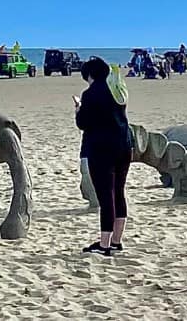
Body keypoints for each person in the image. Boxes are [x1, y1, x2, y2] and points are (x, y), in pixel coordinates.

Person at [75, 57, 132, 255]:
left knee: (106, 196)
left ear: (90, 75)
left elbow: (83, 123)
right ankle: (116, 240)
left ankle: (104, 244)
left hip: (102, 148)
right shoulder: (117, 89)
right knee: (118, 192)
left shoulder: (91, 93)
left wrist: (78, 109)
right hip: (124, 145)